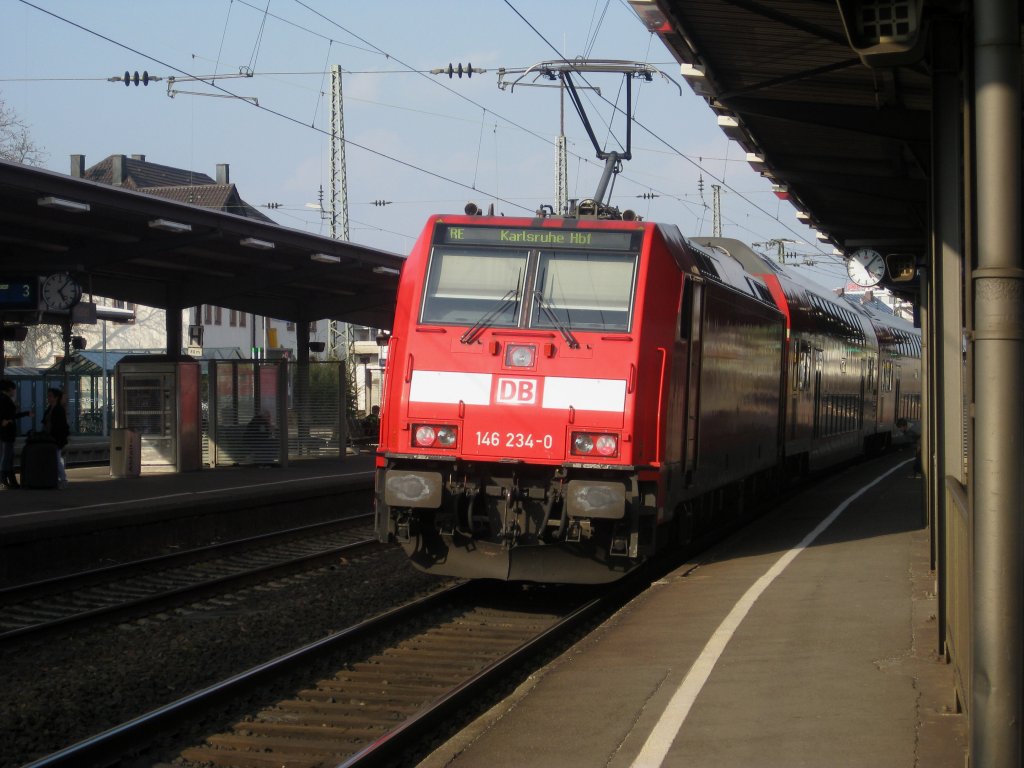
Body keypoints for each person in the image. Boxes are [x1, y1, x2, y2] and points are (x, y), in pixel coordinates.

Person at [0, 379, 31, 489]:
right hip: (7, 432)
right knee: (7, 456)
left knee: (9, 455)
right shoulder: (5, 400)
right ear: (9, 389)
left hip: (7, 432)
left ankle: (10, 480)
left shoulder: (5, 399)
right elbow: (10, 416)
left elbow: (10, 415)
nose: (15, 391)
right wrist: (6, 420)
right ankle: (4, 479)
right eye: (14, 389)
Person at [43, 387, 70, 489]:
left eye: (50, 396)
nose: (48, 398)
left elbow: (60, 425)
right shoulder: (49, 408)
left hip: (56, 438)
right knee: (55, 458)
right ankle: (57, 479)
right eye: (48, 396)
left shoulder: (59, 409)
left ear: (56, 397)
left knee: (56, 458)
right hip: (49, 438)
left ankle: (63, 479)